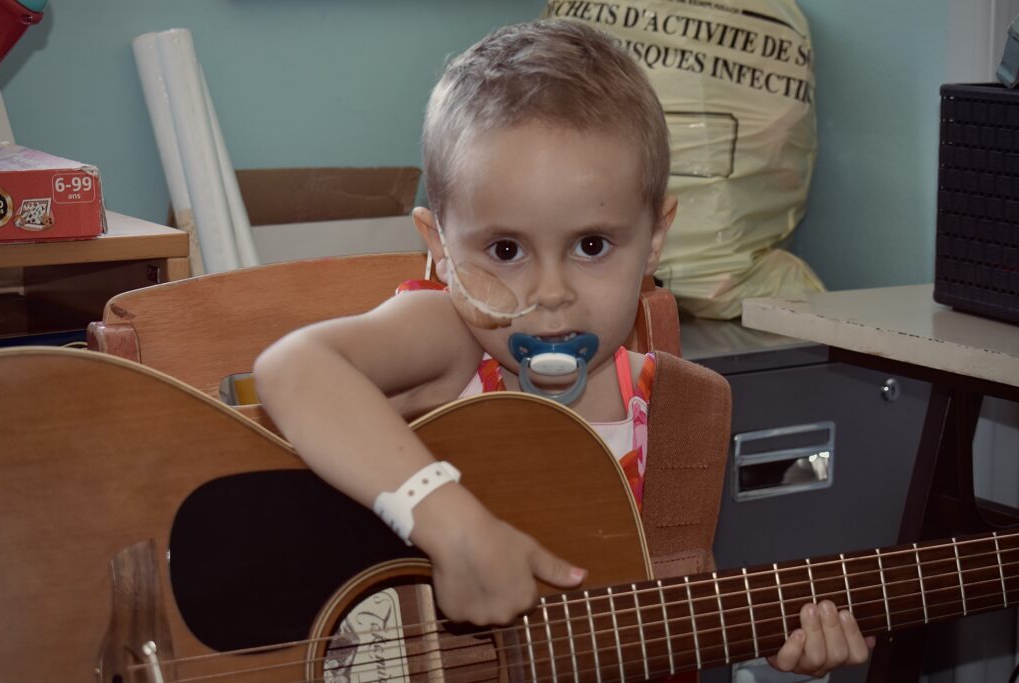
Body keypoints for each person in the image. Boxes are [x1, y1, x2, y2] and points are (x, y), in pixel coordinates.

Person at [254, 19, 873, 677]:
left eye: (592, 245)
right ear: (438, 246)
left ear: (656, 236)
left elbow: (673, 619)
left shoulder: (676, 419)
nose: (550, 293)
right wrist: (448, 523)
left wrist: (783, 661)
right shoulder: (453, 341)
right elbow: (291, 368)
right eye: (505, 250)